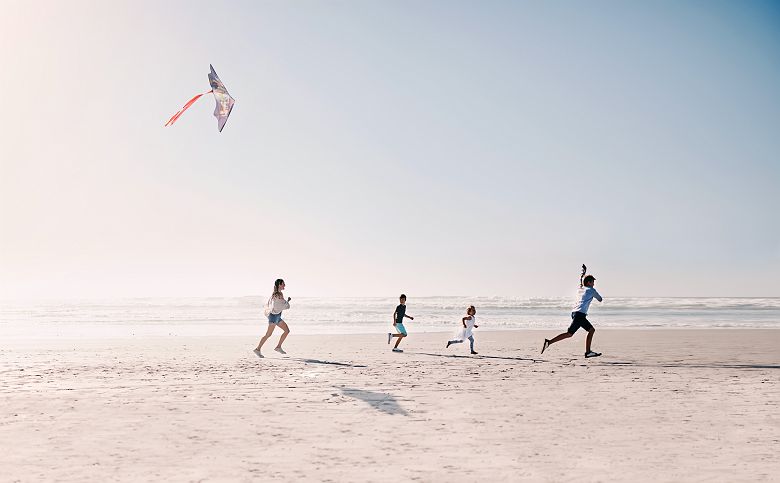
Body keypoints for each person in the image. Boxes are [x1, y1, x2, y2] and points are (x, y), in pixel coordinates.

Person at [541, 274, 602, 358]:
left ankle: (549, 342)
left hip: (575, 313)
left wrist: (582, 277)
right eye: (592, 282)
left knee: (574, 333)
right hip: (580, 315)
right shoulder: (591, 290)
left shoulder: (580, 289)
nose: (593, 284)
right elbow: (600, 299)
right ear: (589, 282)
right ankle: (588, 352)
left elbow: (581, 284)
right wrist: (593, 293)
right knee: (578, 332)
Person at [254, 279, 291, 358]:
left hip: (277, 316)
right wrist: (287, 302)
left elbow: (280, 305)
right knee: (268, 334)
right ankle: (257, 349)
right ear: (279, 285)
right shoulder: (279, 294)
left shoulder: (276, 294)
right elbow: (284, 306)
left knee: (287, 331)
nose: (284, 285)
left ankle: (278, 347)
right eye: (283, 284)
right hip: (274, 317)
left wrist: (286, 302)